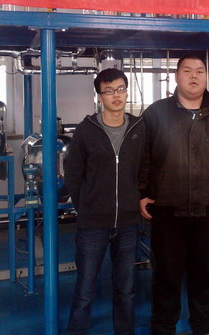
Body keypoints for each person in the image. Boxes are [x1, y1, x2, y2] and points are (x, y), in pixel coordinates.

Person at [139, 54, 209, 335]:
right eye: (187, 70)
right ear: (176, 76)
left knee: (203, 273)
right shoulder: (156, 113)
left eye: (200, 71)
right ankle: (163, 327)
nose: (194, 76)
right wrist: (143, 192)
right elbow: (143, 157)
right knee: (166, 274)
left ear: (206, 77)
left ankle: (204, 325)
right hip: (167, 207)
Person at [64, 68, 145, 335]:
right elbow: (73, 173)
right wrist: (85, 206)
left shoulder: (138, 128)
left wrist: (138, 200)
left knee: (126, 288)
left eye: (120, 89)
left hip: (129, 222)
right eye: (109, 91)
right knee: (85, 288)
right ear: (100, 96)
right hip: (93, 224)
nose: (116, 95)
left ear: (127, 92)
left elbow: (146, 169)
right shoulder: (87, 130)